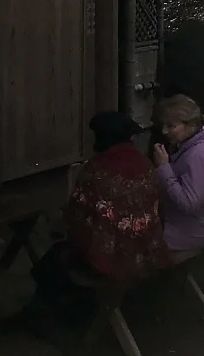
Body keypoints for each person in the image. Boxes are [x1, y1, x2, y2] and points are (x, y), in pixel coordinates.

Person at [66, 112, 169, 282]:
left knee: (54, 263)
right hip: (151, 254)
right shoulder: (145, 164)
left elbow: (76, 217)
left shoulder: (96, 170)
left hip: (112, 265)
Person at [151, 94, 204, 259]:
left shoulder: (201, 155)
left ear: (191, 125)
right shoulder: (190, 146)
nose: (164, 131)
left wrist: (164, 168)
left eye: (171, 126)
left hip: (190, 232)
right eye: (163, 125)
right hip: (183, 225)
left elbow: (188, 203)